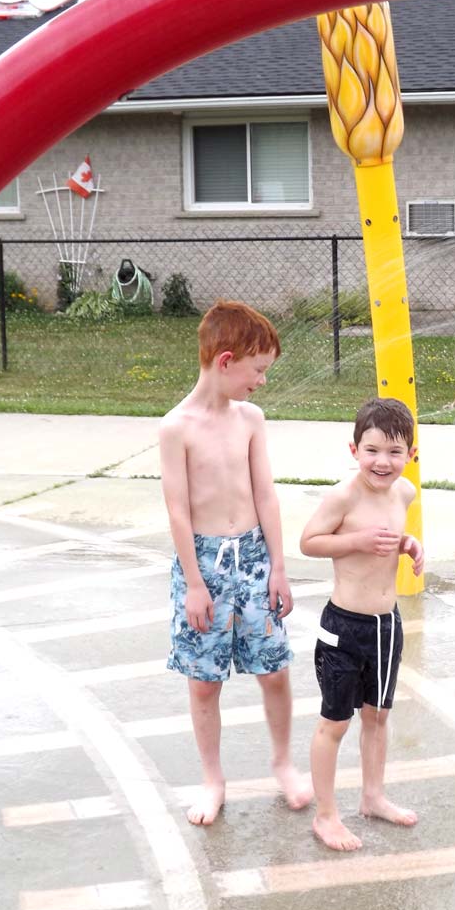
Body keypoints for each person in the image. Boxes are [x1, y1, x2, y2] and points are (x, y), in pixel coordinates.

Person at [159, 299, 313, 826]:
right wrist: (195, 585)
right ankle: (212, 779)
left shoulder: (251, 419)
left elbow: (266, 496)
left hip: (252, 558)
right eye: (259, 370)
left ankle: (283, 762)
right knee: (204, 681)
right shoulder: (176, 427)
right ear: (225, 361)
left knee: (274, 670)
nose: (262, 382)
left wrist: (278, 566)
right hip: (202, 564)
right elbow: (178, 510)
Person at [300, 396, 424, 851]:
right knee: (335, 721)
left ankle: (373, 796)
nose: (382, 462)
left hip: (385, 626)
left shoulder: (404, 493)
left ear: (410, 455)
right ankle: (326, 815)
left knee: (378, 716)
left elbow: (392, 536)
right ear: (354, 450)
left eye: (395, 452)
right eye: (372, 450)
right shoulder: (344, 495)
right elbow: (309, 542)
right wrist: (357, 540)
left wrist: (408, 544)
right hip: (344, 627)